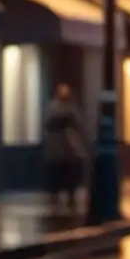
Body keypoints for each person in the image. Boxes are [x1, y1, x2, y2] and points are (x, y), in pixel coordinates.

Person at [42, 83, 86, 211]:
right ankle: (56, 197)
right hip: (56, 150)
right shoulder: (53, 108)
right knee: (57, 175)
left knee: (70, 176)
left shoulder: (72, 109)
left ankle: (70, 197)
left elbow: (79, 126)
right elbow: (48, 124)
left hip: (69, 150)